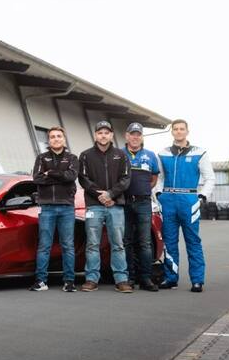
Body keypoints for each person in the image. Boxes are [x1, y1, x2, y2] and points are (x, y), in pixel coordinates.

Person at [155, 119, 215, 293]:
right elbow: (159, 177)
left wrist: (201, 197)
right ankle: (171, 278)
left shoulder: (200, 152)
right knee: (169, 242)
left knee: (193, 241)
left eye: (182, 129)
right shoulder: (163, 153)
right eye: (176, 129)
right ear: (172, 132)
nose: (179, 132)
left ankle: (197, 280)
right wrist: (159, 194)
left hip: (189, 200)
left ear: (187, 131)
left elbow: (210, 178)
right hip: (168, 201)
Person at [78, 120, 132, 293]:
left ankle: (121, 279)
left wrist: (110, 194)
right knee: (92, 243)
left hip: (115, 205)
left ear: (111, 135)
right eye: (100, 132)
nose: (103, 135)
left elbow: (126, 179)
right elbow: (83, 179)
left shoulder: (121, 155)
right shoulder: (85, 155)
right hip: (94, 205)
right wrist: (100, 195)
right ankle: (92, 279)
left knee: (118, 243)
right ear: (95, 135)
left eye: (106, 132)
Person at [29, 126, 79, 292]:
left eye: (59, 136)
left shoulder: (72, 158)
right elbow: (37, 178)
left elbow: (71, 177)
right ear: (48, 141)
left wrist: (50, 173)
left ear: (64, 139)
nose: (56, 139)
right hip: (47, 207)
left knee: (68, 245)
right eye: (52, 137)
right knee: (44, 245)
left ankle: (69, 281)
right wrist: (59, 176)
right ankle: (41, 281)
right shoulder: (41, 158)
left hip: (66, 207)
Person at [122, 122, 160, 292]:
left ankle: (146, 278)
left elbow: (153, 179)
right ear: (127, 136)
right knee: (126, 241)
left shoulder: (151, 155)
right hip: (124, 202)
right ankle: (129, 278)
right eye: (132, 134)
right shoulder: (119, 154)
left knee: (145, 242)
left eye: (138, 134)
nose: (135, 137)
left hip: (144, 202)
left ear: (141, 137)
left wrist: (142, 190)